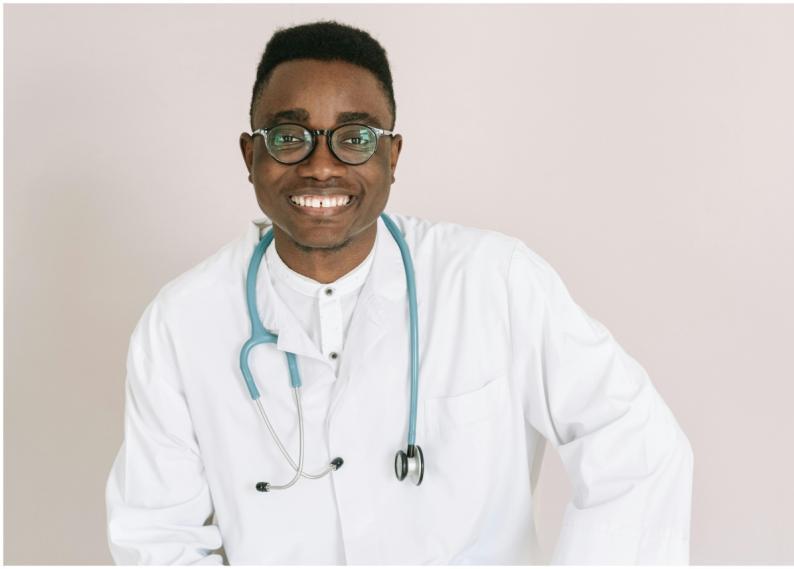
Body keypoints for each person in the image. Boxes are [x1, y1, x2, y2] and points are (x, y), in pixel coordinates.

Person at [105, 20, 694, 565]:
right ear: (250, 154)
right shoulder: (182, 324)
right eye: (289, 137)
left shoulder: (493, 282)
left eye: (354, 138)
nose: (320, 166)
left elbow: (636, 447)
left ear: (392, 155)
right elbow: (158, 536)